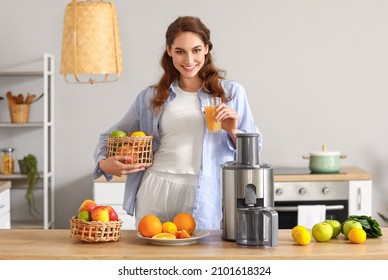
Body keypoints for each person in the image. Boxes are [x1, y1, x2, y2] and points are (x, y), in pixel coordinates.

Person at [93, 16, 262, 230]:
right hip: (154, 187)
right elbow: (109, 136)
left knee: (202, 260)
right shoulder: (150, 97)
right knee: (150, 260)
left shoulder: (231, 93)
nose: (189, 60)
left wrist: (233, 131)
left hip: (204, 191)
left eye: (196, 50)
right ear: (169, 51)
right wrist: (102, 163)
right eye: (180, 51)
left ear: (207, 49)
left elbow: (256, 151)